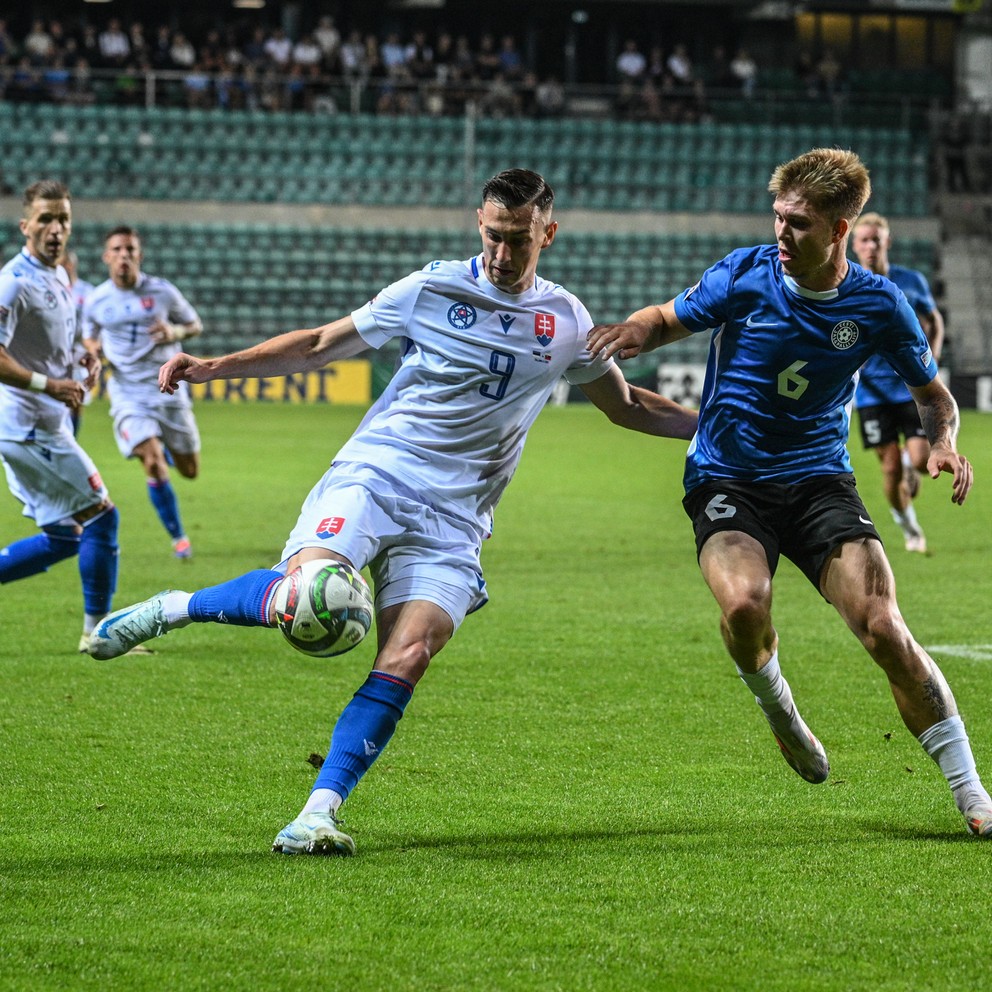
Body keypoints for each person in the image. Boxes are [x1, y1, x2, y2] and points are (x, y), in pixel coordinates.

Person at [85, 169, 698, 855]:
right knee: (304, 599)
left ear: (546, 234)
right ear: (478, 225)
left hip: (457, 520)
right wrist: (214, 366)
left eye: (518, 242)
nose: (501, 255)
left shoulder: (566, 323)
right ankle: (176, 606)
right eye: (493, 237)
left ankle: (317, 813)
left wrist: (715, 432)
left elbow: (629, 404)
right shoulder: (430, 287)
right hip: (377, 474)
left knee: (408, 655)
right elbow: (322, 344)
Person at [587, 148, 991, 839]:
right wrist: (633, 332)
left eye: (798, 223)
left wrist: (944, 441)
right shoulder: (745, 274)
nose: (781, 233)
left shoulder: (878, 305)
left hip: (818, 481)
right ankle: (782, 715)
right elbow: (663, 316)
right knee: (746, 603)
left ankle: (971, 791)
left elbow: (935, 398)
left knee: (885, 627)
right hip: (726, 477)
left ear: (839, 230)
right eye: (778, 217)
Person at [0, 179, 120, 653]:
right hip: (29, 427)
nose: (55, 228)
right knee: (103, 519)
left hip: (38, 425)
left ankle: (97, 628)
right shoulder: (14, 282)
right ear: (25, 224)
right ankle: (100, 633)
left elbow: (48, 346)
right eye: (46, 219)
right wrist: (51, 385)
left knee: (64, 537)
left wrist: (79, 359)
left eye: (63, 219)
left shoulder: (60, 276)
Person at [82, 225, 202, 559]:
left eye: (130, 250)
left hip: (168, 389)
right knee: (151, 461)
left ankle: (163, 449)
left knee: (190, 470)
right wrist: (95, 351)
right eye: (117, 250)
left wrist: (173, 330)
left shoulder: (163, 291)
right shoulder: (96, 300)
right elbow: (89, 336)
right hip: (127, 393)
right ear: (107, 257)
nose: (124, 256)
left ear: (139, 255)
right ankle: (179, 538)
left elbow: (195, 325)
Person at [850, 212, 945, 553]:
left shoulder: (910, 280)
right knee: (888, 468)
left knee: (922, 459)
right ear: (853, 244)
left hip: (909, 386)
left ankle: (911, 463)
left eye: (876, 239)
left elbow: (934, 319)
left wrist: (930, 359)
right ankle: (910, 529)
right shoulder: (847, 282)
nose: (870, 246)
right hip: (869, 392)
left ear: (887, 242)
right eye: (863, 240)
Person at [61, 248, 95, 437]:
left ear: (71, 264)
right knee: (60, 398)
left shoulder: (87, 291)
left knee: (78, 400)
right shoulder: (56, 288)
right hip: (58, 351)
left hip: (80, 353)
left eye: (64, 263)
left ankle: (72, 437)